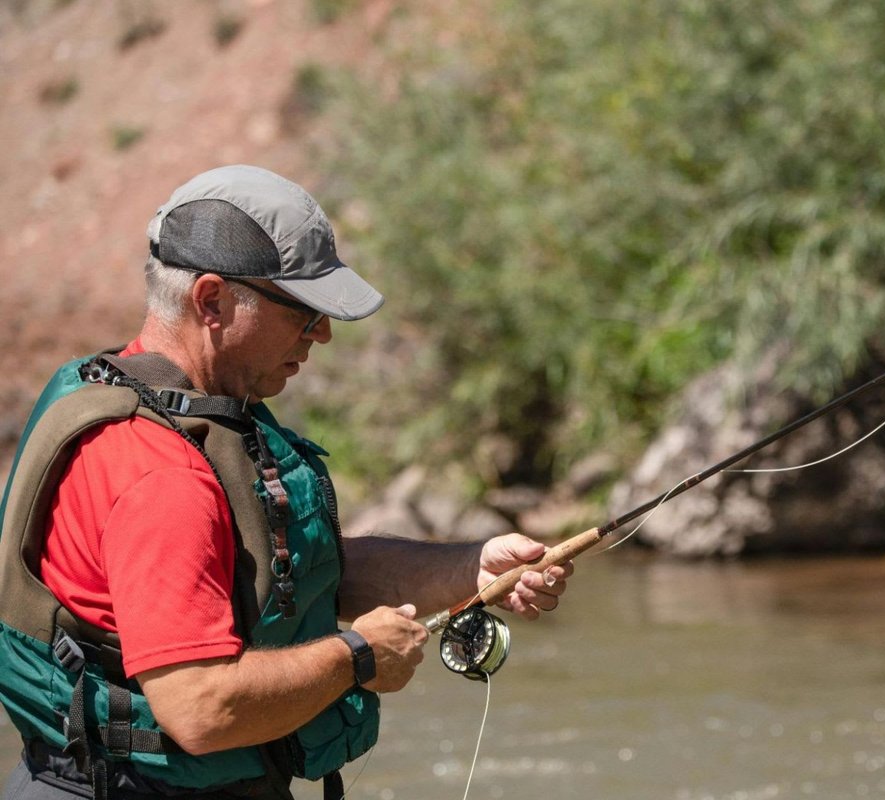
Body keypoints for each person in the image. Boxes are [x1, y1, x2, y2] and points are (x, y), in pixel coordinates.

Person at [0, 165, 572, 800]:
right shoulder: (160, 475)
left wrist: (473, 567)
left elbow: (287, 579)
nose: (322, 333)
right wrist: (357, 656)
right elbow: (200, 707)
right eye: (303, 312)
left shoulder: (155, 395)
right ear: (211, 300)